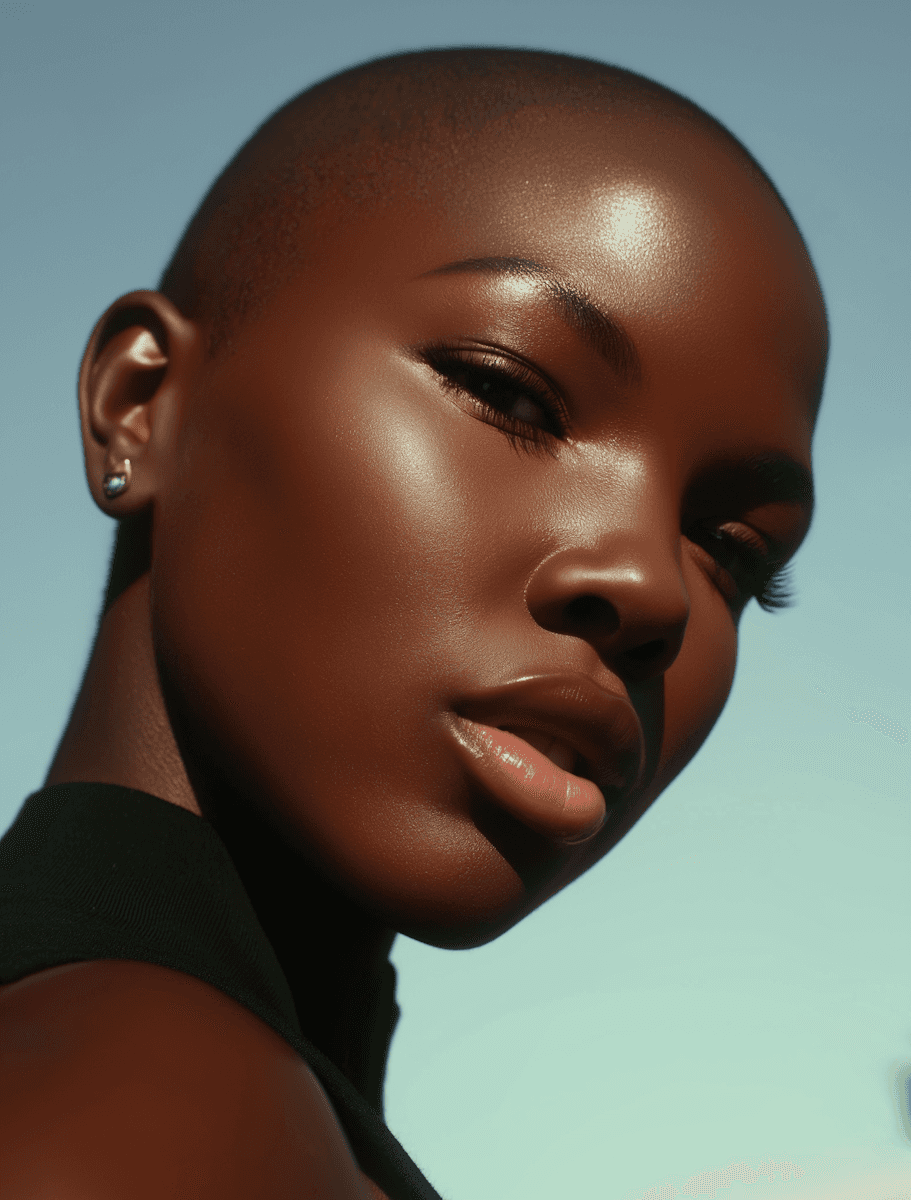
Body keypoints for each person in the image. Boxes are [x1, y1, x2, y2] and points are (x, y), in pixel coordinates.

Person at [0, 47, 826, 1200]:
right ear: (140, 404)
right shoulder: (170, 1122)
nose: (648, 585)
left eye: (733, 552)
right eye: (505, 393)